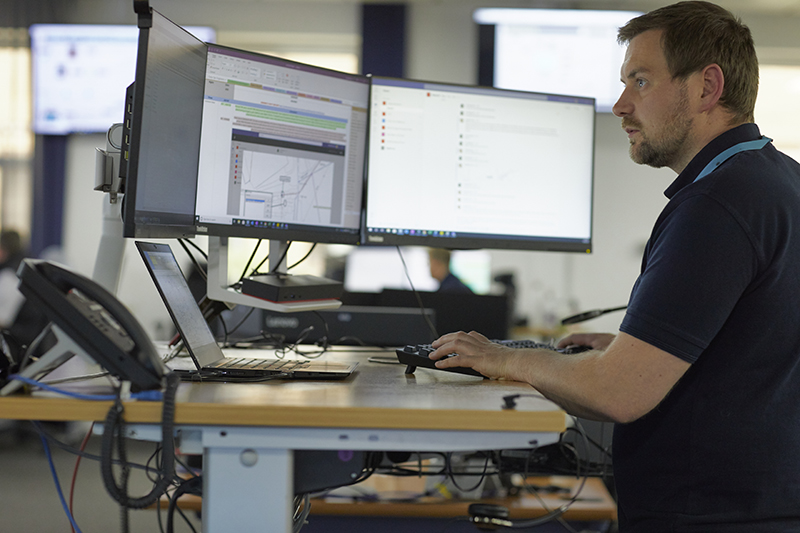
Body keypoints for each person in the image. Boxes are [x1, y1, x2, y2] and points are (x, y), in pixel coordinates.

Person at [430, 2, 800, 531]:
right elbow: (764, 345)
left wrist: (504, 358)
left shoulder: (717, 205)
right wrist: (636, 348)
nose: (621, 105)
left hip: (711, 516)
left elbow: (617, 393)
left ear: (706, 87)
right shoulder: (781, 180)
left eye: (641, 81)